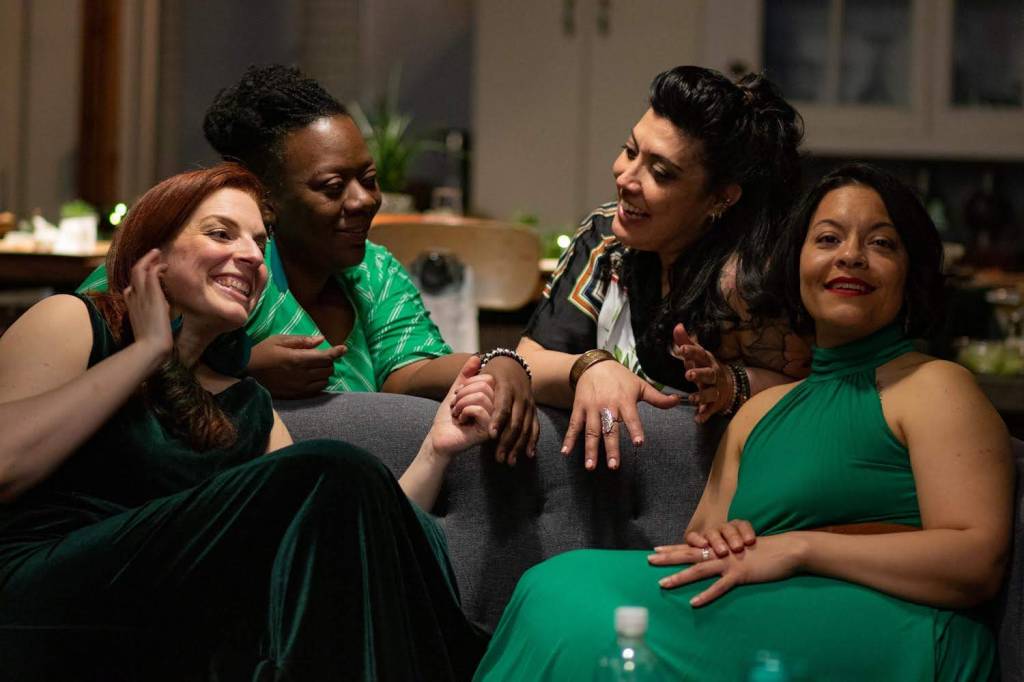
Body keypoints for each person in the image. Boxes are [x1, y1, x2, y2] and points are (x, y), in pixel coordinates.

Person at [474, 163, 1014, 681]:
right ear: (795, 266)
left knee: (573, 604)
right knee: (553, 587)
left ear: (910, 271)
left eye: (881, 243)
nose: (851, 256)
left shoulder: (934, 386)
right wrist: (724, 539)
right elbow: (698, 550)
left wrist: (799, 547)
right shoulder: (758, 412)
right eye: (828, 239)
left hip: (897, 630)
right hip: (760, 615)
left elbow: (975, 561)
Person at [0, 164, 495, 680]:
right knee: (328, 468)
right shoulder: (75, 321)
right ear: (154, 255)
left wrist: (436, 450)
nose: (253, 256)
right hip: (39, 602)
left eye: (260, 243)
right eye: (221, 233)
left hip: (169, 632)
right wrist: (147, 351)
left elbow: (344, 530)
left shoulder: (247, 403)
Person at [80, 64, 537, 465]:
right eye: (333, 187)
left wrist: (496, 363)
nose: (362, 200)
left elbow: (409, 371)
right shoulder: (224, 265)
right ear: (266, 199)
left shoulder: (373, 271)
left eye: (369, 179)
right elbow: (100, 353)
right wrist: (242, 370)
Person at [518, 65, 811, 471]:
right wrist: (590, 367)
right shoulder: (607, 238)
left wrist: (732, 385)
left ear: (721, 197)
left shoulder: (746, 284)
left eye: (660, 173)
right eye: (629, 151)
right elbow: (527, 362)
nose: (625, 177)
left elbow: (815, 396)